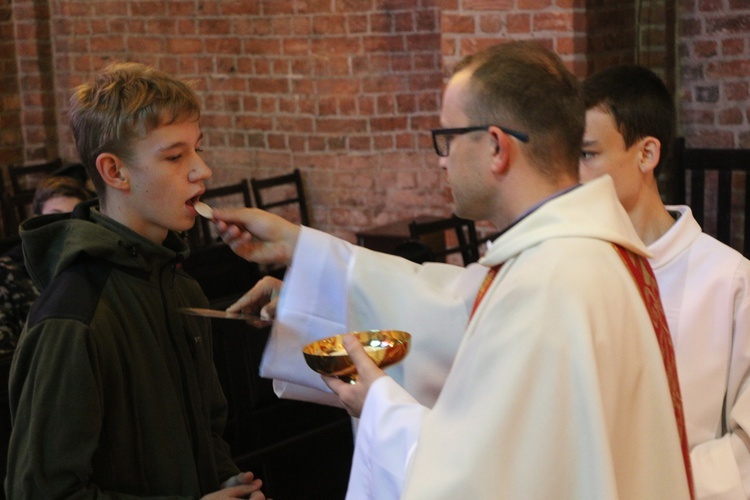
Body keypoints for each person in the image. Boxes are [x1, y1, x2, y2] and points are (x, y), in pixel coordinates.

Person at [213, 42, 693, 498]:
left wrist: (379, 408)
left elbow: (485, 481)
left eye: (446, 138)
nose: (441, 161)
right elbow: (453, 306)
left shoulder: (552, 281)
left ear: (496, 147)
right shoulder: (571, 254)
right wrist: (300, 250)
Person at [6, 62, 265, 499]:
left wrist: (226, 479)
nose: (202, 169)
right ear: (115, 172)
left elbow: (204, 432)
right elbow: (43, 493)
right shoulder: (75, 318)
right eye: (175, 156)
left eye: (197, 149)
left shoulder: (182, 288)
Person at [579, 64, 750, 499]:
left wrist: (650, 484)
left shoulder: (729, 279)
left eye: (588, 154)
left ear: (646, 154)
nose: (574, 175)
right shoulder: (575, 266)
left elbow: (746, 444)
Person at [0, 175, 94, 353]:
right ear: (38, 220)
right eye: (55, 216)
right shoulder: (7, 272)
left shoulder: (88, 266)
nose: (64, 226)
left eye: (73, 218)